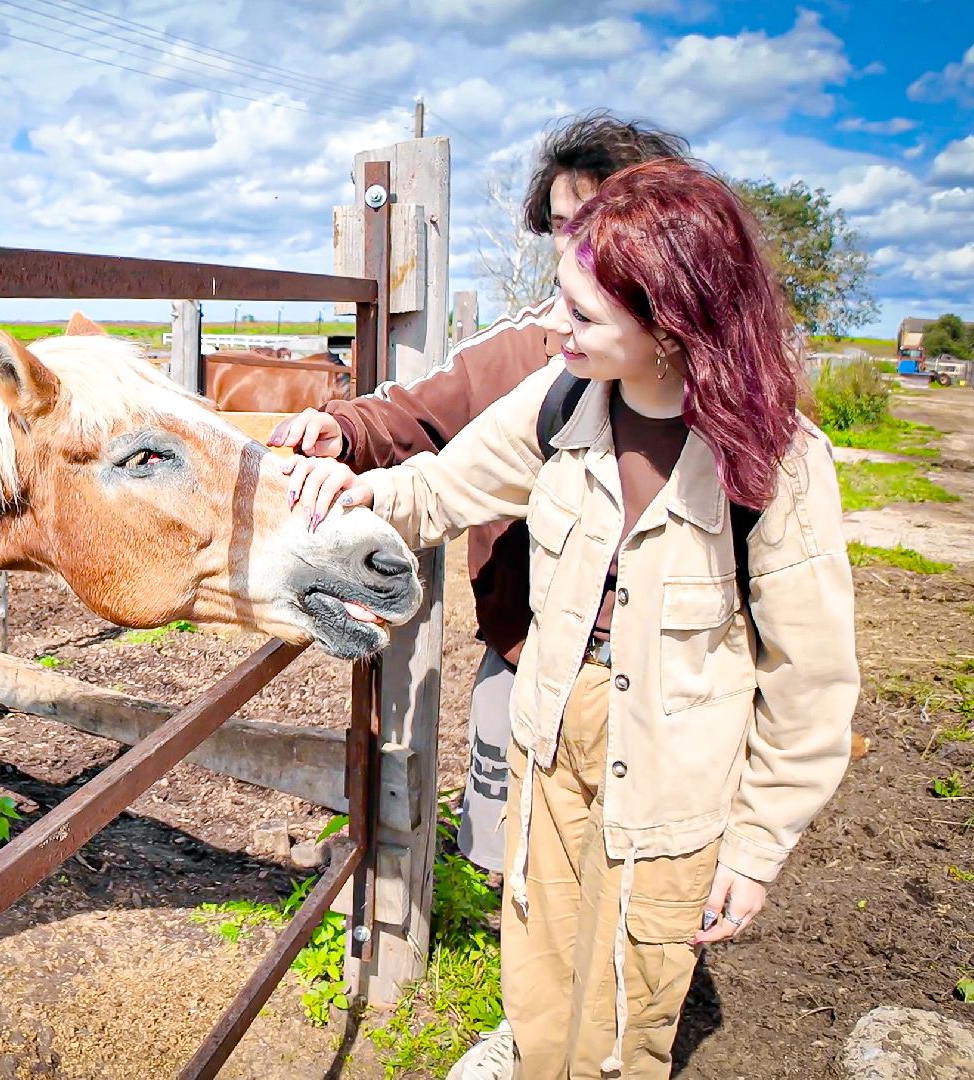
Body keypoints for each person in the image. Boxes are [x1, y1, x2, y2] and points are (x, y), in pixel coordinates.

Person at [283, 159, 859, 1079]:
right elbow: (443, 487)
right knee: (540, 979)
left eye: (583, 315)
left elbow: (812, 684)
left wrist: (754, 851)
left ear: (670, 324)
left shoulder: (776, 463)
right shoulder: (561, 400)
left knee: (626, 1011)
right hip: (550, 744)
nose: (555, 326)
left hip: (672, 777)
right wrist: (356, 491)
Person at [269, 114, 692, 905]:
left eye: (598, 221)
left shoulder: (730, 397)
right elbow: (434, 433)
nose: (574, 251)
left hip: (674, 680)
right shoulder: (537, 358)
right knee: (520, 865)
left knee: (648, 885)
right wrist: (345, 432)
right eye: (562, 227)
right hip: (533, 648)